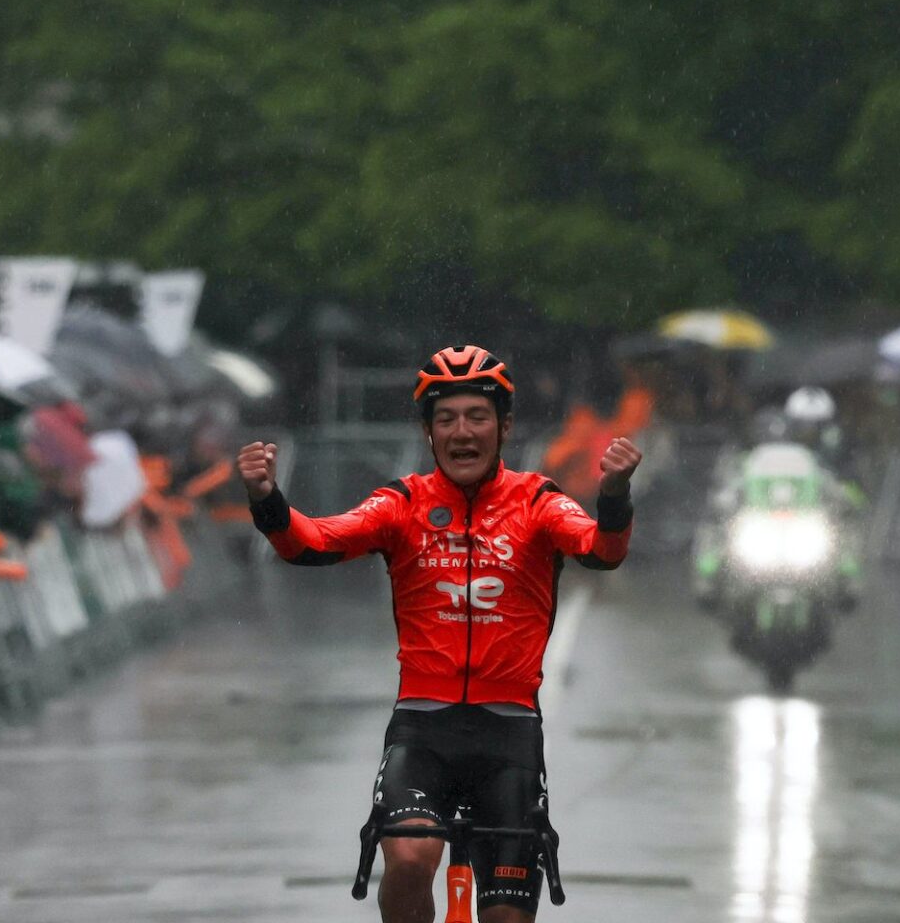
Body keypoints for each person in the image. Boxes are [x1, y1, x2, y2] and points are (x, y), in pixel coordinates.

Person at [237, 345, 641, 923]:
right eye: (446, 419)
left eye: (477, 417)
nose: (462, 431)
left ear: (503, 427)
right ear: (428, 433)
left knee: (505, 917)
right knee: (408, 857)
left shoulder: (537, 501)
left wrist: (614, 495)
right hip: (424, 730)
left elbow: (602, 553)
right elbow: (311, 543)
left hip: (510, 736)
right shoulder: (401, 503)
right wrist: (265, 500)